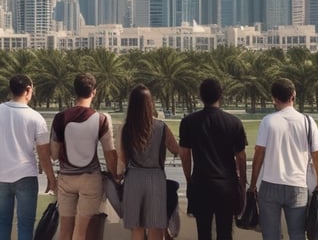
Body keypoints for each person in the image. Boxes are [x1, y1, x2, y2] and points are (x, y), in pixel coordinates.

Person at [249, 78, 318, 240]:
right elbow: (317, 156)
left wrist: (253, 183)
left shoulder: (268, 121)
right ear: (293, 95)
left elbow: (259, 154)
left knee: (271, 235)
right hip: (297, 186)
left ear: (274, 98)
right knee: (297, 234)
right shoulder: (308, 122)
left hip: (270, 184)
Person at [0, 73, 57, 240]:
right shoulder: (35, 117)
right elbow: (43, 153)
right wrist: (51, 178)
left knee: (3, 222)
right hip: (26, 175)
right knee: (26, 225)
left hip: (0, 176)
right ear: (28, 90)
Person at [51, 73, 118, 240]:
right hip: (90, 179)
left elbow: (53, 154)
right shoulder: (102, 119)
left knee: (65, 230)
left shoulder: (60, 118)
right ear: (94, 92)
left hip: (66, 178)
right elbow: (110, 154)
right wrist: (115, 175)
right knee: (81, 232)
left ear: (75, 91)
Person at [179, 78, 248, 240]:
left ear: (200, 96)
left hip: (201, 184)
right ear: (221, 95)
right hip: (226, 185)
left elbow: (184, 155)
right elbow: (241, 157)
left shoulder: (189, 122)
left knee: (203, 233)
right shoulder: (234, 122)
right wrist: (242, 183)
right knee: (225, 233)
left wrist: (189, 179)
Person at [119, 84, 180, 240]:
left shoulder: (126, 128)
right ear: (149, 103)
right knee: (155, 227)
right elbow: (176, 149)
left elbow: (123, 158)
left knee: (136, 228)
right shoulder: (161, 127)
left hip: (133, 177)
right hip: (155, 177)